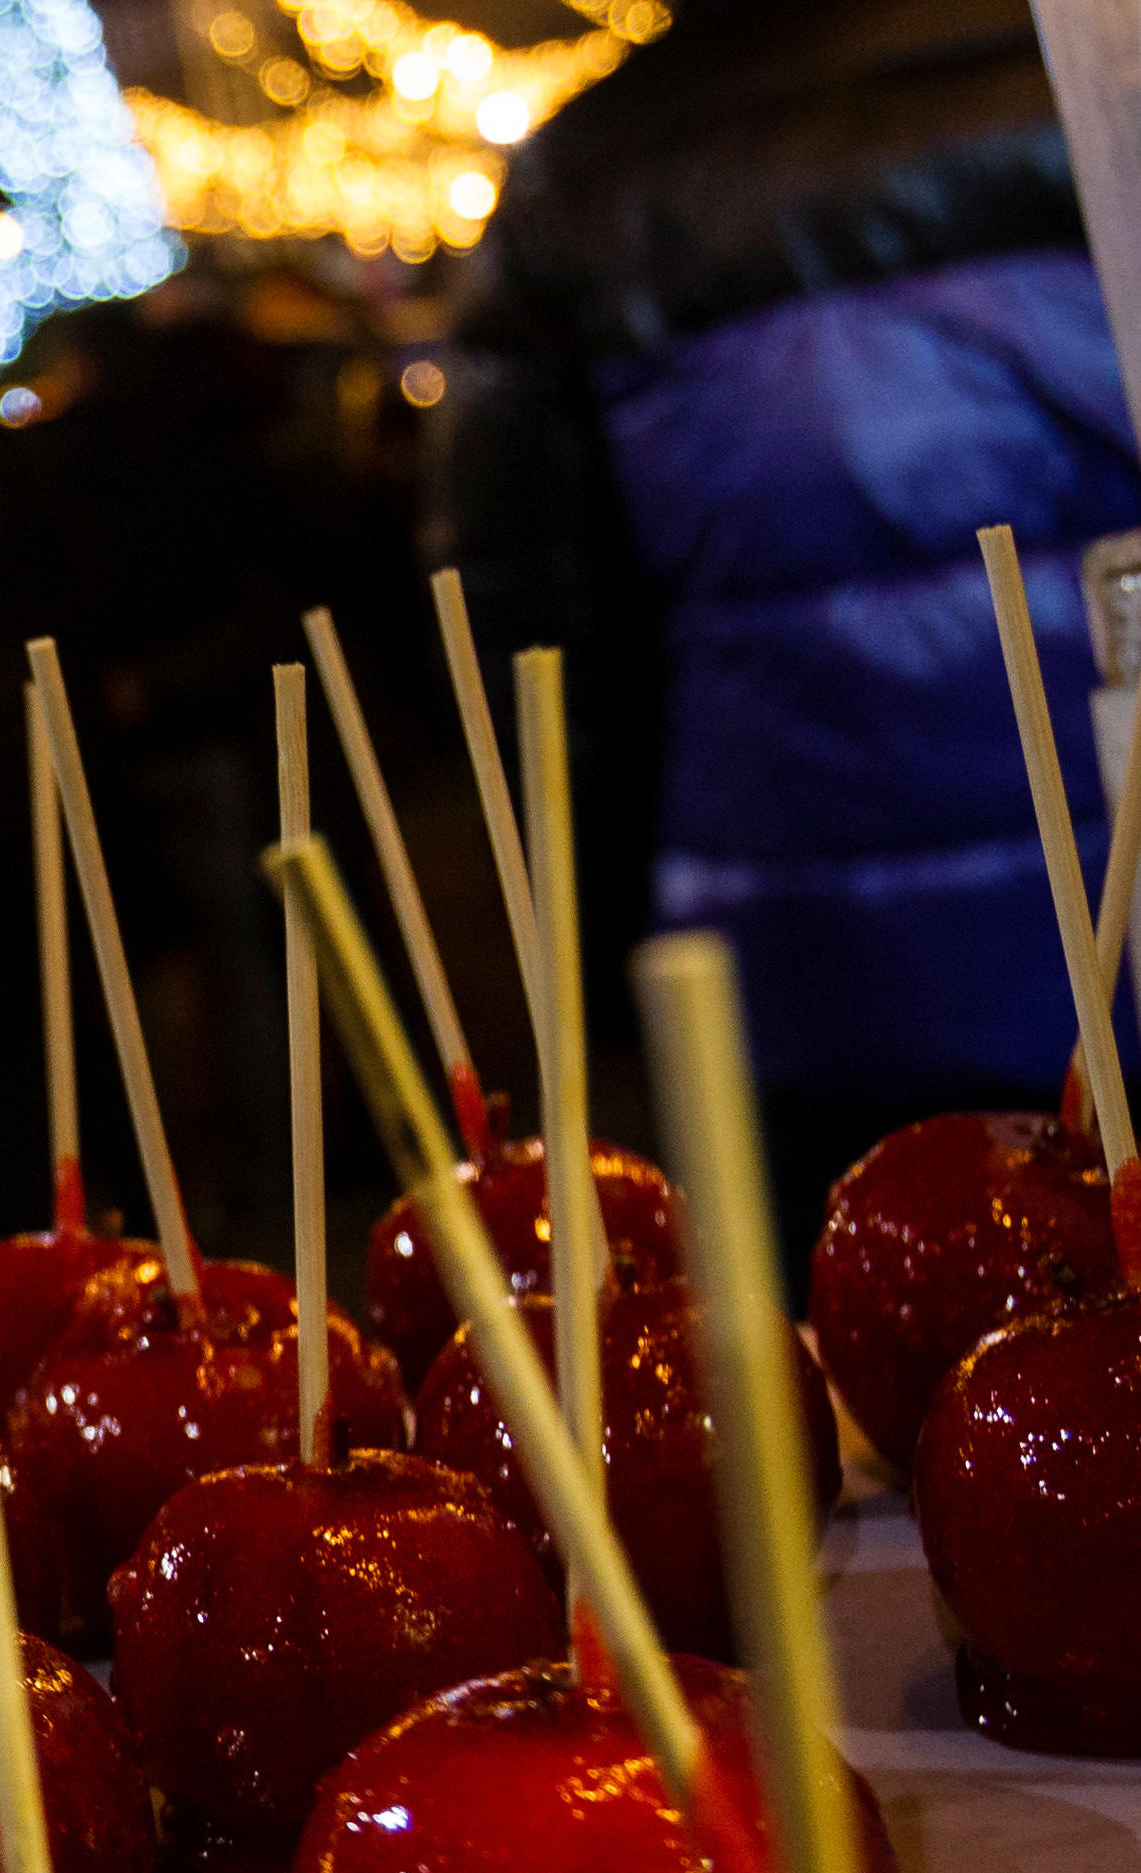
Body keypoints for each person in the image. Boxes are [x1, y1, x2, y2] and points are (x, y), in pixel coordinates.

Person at [437, 0, 1140, 1242]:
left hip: (801, 970)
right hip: (1111, 889)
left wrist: (603, 959)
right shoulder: (1094, 57)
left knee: (879, 1382)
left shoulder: (590, 178)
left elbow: (544, 651)